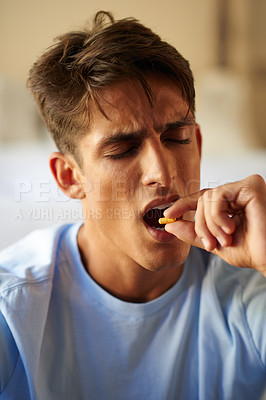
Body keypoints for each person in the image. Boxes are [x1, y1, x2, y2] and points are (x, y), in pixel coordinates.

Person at [0, 10, 265, 400]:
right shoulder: (13, 308)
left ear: (200, 144)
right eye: (123, 149)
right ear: (70, 178)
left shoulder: (248, 287)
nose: (163, 172)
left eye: (177, 138)